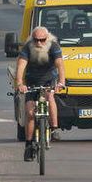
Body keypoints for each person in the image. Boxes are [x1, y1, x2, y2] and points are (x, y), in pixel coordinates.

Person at [15, 26, 66, 161]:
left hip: (49, 80)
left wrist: (61, 82)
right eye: (36, 40)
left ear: (47, 39)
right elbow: (20, 66)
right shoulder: (27, 47)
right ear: (32, 39)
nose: (39, 43)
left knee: (50, 97)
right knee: (30, 113)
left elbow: (60, 65)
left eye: (42, 40)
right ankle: (29, 145)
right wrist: (20, 84)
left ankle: (54, 129)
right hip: (32, 81)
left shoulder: (53, 46)